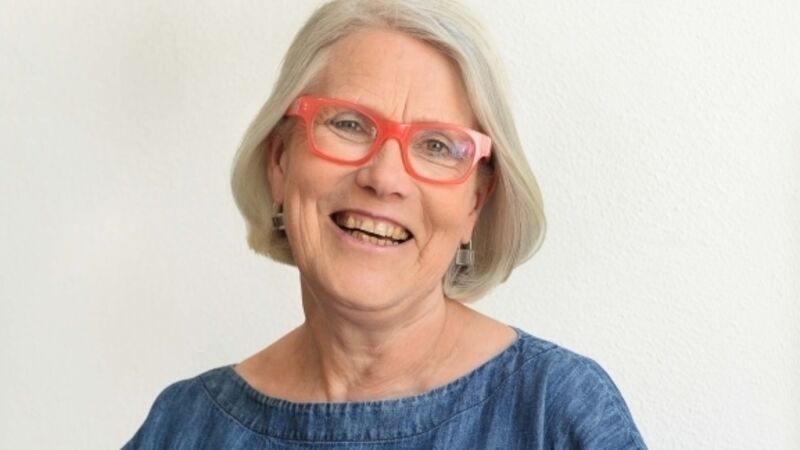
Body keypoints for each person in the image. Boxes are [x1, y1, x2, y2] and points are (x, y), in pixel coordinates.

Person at [124, 0, 647, 448]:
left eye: (436, 145)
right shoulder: (183, 427)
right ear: (279, 161)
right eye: (349, 124)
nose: (384, 177)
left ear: (475, 203)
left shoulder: (555, 413)